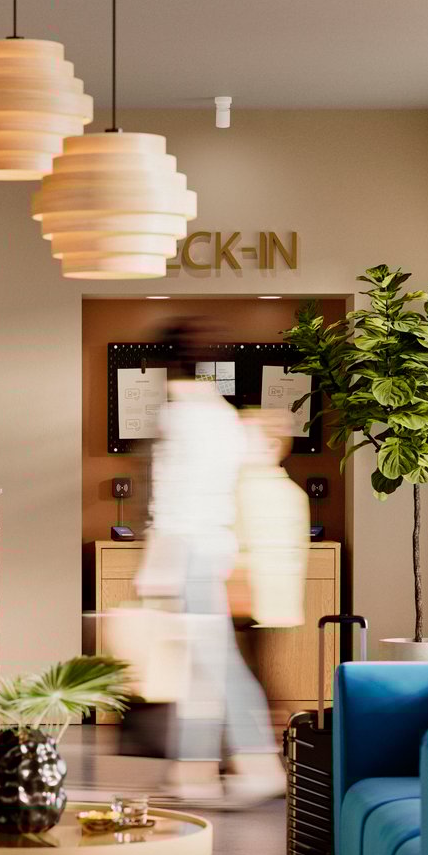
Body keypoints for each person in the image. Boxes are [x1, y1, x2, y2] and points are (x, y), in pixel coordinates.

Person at [135, 321, 300, 806]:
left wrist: (155, 568)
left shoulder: (178, 417)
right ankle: (194, 772)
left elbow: (170, 501)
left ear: (166, 362)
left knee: (216, 664)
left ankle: (259, 762)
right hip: (214, 549)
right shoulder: (222, 416)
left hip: (185, 550)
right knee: (202, 666)